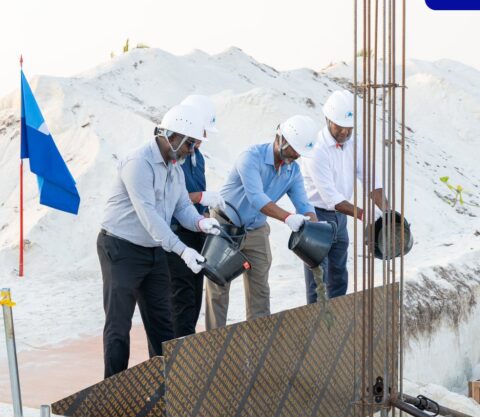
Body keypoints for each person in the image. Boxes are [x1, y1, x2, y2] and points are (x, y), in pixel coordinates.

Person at [98, 103, 222, 377]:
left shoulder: (174, 168)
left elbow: (182, 207)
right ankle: (113, 389)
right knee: (119, 325)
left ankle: (163, 387)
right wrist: (183, 250)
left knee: (163, 324)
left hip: (153, 250)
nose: (192, 150)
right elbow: (150, 217)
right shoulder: (138, 163)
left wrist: (201, 223)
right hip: (121, 249)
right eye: (190, 144)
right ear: (172, 135)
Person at [204, 115, 320, 331]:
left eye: (299, 152)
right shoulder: (250, 158)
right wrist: (288, 218)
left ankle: (258, 341)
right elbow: (256, 198)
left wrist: (314, 226)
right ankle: (214, 340)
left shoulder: (293, 171)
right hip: (225, 225)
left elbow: (304, 205)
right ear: (281, 139)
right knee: (219, 287)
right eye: (294, 149)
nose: (296, 155)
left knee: (260, 289)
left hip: (256, 229)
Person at [301, 89, 386, 304]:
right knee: (318, 276)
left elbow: (371, 180)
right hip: (316, 216)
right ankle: (318, 319)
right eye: (340, 127)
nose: (345, 132)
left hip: (340, 217)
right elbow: (331, 197)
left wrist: (387, 213)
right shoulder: (316, 149)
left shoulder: (355, 142)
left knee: (339, 273)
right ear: (327, 119)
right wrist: (363, 214)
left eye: (349, 128)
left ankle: (337, 319)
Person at [165, 94, 225, 337]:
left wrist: (207, 216)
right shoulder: (173, 158)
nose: (204, 138)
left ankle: (187, 346)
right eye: (201, 132)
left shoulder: (197, 157)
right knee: (180, 301)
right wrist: (200, 197)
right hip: (175, 235)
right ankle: (177, 352)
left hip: (196, 232)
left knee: (194, 300)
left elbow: (198, 197)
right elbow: (170, 199)